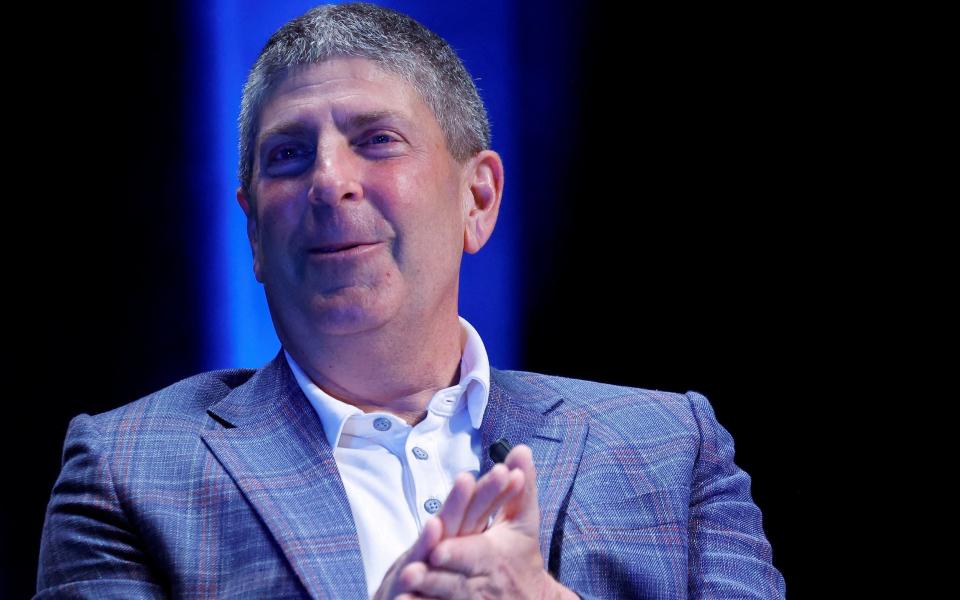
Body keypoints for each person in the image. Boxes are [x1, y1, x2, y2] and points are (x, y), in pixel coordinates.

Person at [35, 3, 785, 598]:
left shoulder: (670, 447)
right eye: (289, 155)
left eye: (377, 139)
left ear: (478, 198)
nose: (329, 181)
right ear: (254, 233)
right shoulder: (129, 470)